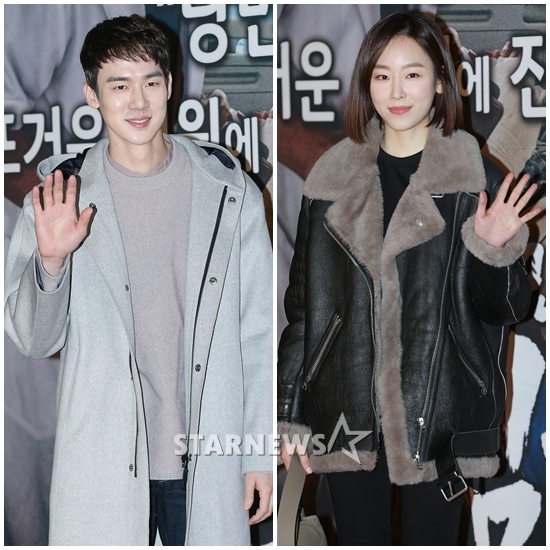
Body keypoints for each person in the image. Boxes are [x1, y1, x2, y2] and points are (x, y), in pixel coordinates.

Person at [4, 14, 273, 546]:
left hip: (206, 459)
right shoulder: (61, 194)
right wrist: (51, 262)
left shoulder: (227, 188)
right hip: (103, 462)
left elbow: (257, 331)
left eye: (150, 81)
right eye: (119, 85)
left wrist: (257, 452)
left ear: (170, 85)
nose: (138, 101)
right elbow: (34, 340)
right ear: (92, 95)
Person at [277, 11, 541, 546]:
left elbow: (507, 310)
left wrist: (492, 250)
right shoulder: (331, 176)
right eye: (382, 75)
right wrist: (290, 414)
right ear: (366, 83)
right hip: (347, 412)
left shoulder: (475, 178)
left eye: (413, 74)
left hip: (440, 413)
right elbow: (303, 310)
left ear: (441, 81)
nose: (396, 91)